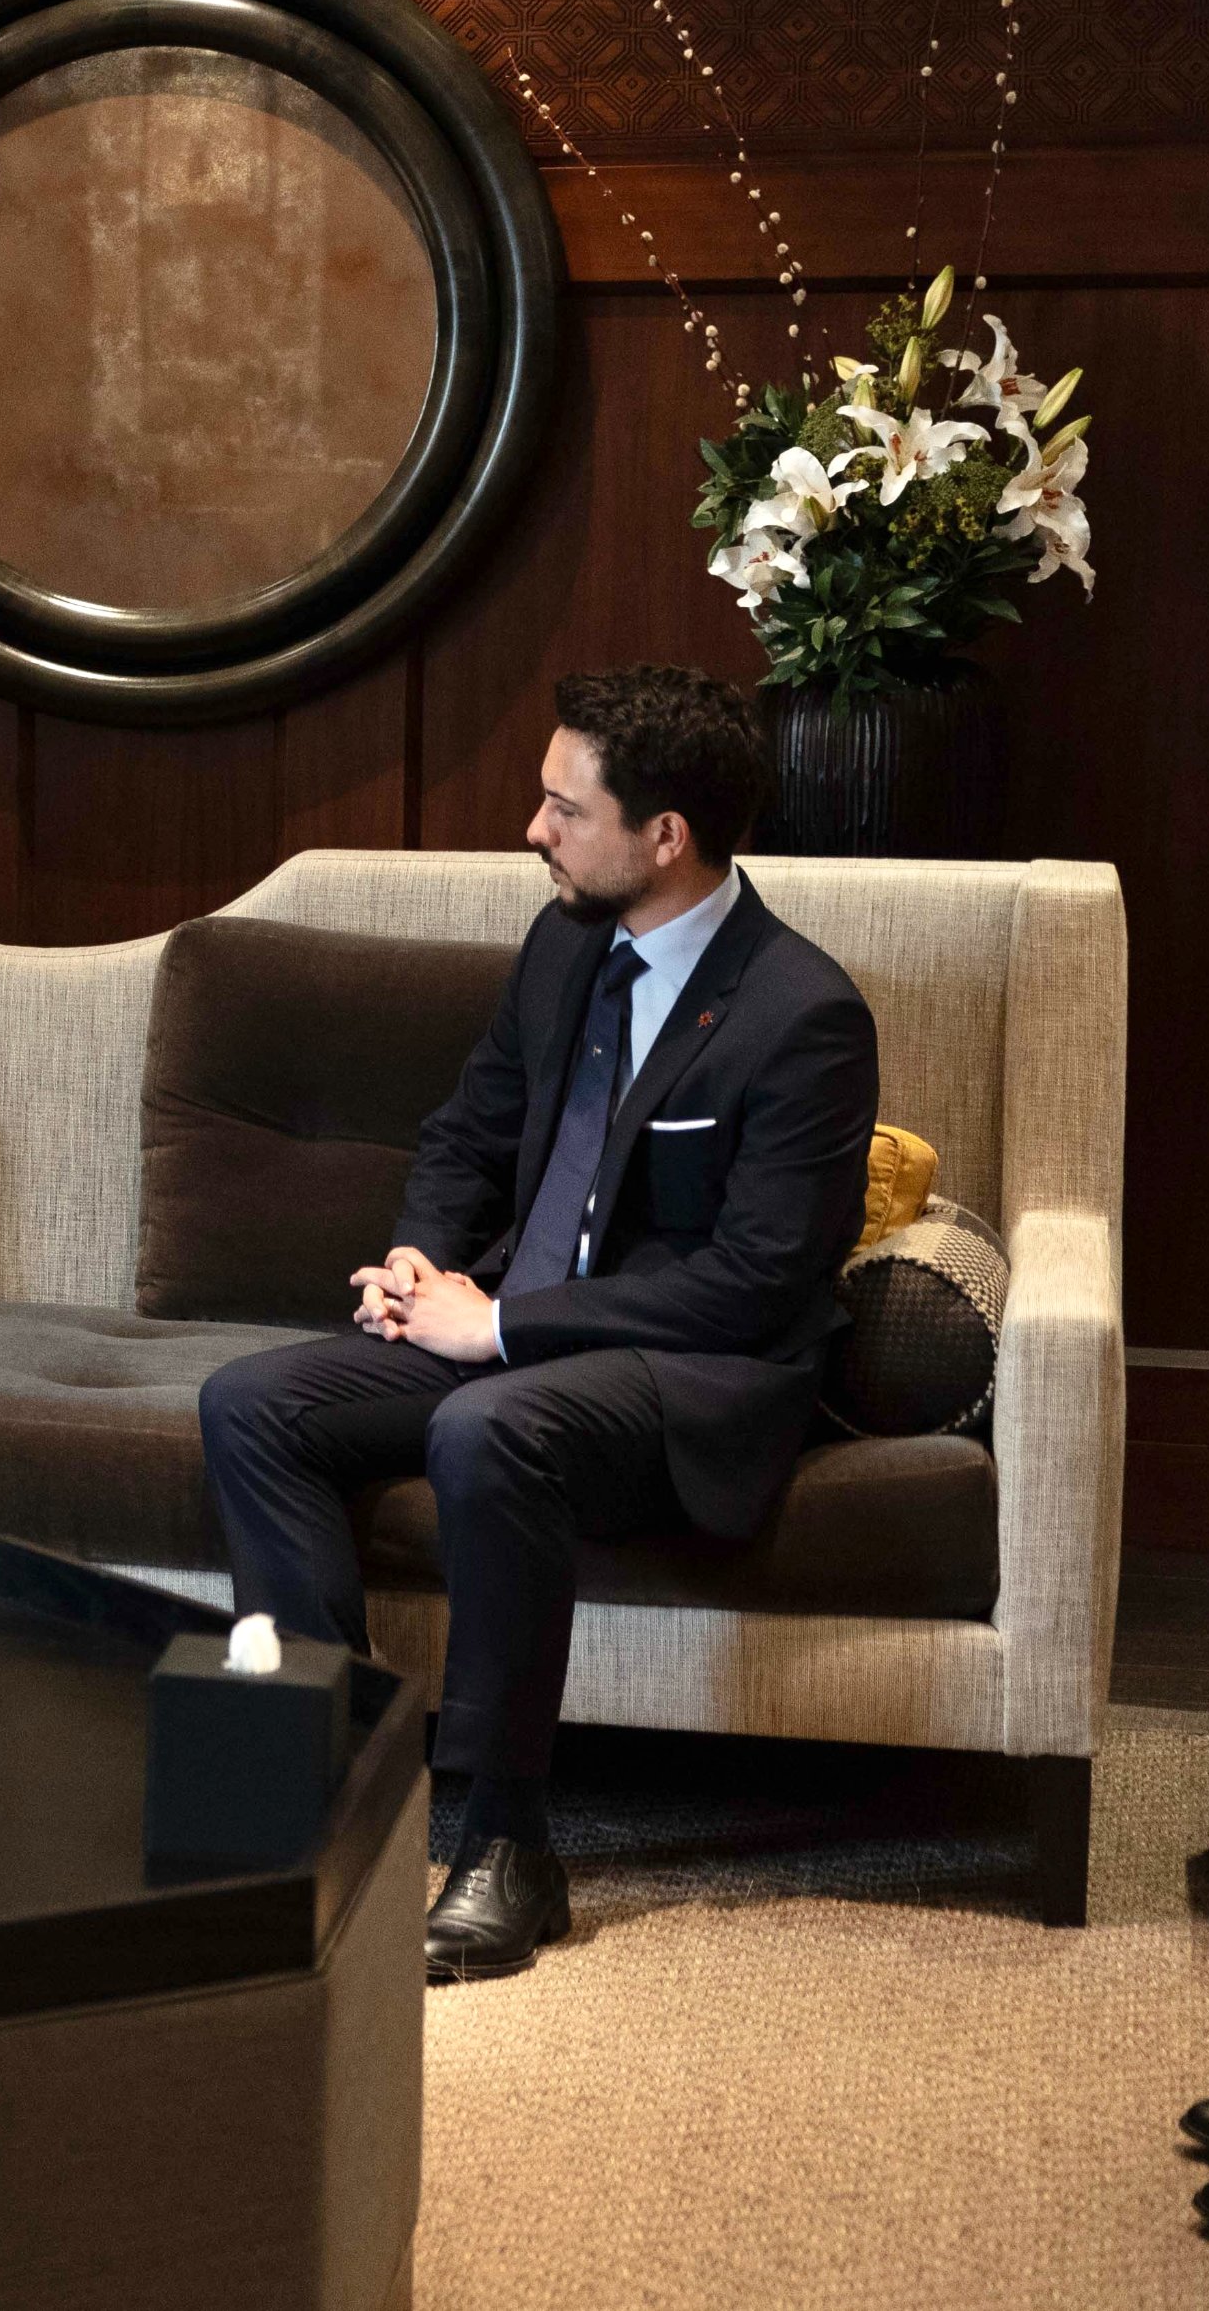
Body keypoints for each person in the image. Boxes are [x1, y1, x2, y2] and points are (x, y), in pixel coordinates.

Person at [195, 665, 877, 1984]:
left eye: (566, 808)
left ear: (663, 835)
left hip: (686, 1369)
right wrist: (420, 1256)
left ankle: (506, 1845)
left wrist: (501, 1326)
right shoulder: (565, 945)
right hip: (512, 1329)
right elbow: (468, 1131)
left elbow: (754, 1282)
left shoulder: (803, 1014)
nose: (534, 828)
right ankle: (323, 1798)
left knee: (489, 1425)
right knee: (254, 1403)